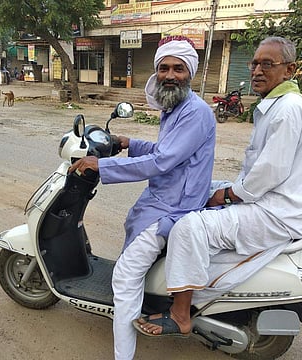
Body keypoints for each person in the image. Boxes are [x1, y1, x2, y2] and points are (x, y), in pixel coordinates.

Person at [134, 36, 302, 337]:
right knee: (199, 191)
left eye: (267, 64)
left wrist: (230, 196)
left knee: (188, 226)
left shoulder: (286, 110)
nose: (257, 71)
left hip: (272, 212)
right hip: (278, 205)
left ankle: (180, 313)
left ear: (289, 70)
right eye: (255, 63)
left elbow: (268, 172)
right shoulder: (281, 106)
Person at [68, 35, 216, 360]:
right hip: (162, 200)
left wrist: (101, 164)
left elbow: (162, 161)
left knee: (124, 277)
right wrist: (127, 141)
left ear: (189, 73)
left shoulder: (195, 113)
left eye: (178, 68)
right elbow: (166, 152)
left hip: (173, 208)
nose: (170, 75)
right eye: (163, 68)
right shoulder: (175, 108)